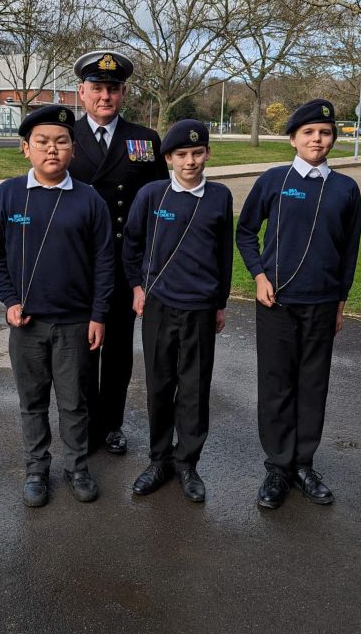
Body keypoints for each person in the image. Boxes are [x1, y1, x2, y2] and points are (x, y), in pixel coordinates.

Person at [0, 105, 114, 507]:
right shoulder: (7, 194)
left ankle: (77, 467)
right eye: (42, 142)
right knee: (32, 402)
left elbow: (106, 261)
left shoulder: (89, 200)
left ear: (73, 149)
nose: (51, 150)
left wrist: (99, 314)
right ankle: (36, 469)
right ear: (25, 149)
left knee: (75, 402)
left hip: (75, 323)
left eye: (61, 142)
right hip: (27, 324)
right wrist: (9, 299)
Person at [236, 99, 361, 509]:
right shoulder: (273, 181)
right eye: (308, 132)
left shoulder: (345, 188)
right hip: (277, 303)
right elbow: (245, 232)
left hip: (322, 303)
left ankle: (303, 463)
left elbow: (349, 252)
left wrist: (341, 302)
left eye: (325, 133)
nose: (317, 139)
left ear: (333, 140)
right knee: (276, 384)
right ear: (293, 138)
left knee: (312, 385)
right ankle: (277, 467)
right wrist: (258, 275)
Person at [123, 120, 233, 502]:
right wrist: (137, 288)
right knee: (160, 383)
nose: (190, 161)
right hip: (159, 305)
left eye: (197, 153)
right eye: (182, 155)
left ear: (207, 154)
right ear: (168, 158)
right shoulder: (152, 195)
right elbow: (132, 244)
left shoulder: (219, 196)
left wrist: (220, 303)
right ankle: (158, 459)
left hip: (200, 307)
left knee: (195, 387)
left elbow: (223, 254)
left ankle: (187, 461)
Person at [68, 50, 169, 456]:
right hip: (79, 264)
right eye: (97, 88)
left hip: (126, 264)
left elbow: (160, 204)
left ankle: (111, 424)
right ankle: (84, 423)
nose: (104, 95)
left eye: (112, 88)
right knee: (82, 349)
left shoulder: (144, 140)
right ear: (81, 91)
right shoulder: (64, 137)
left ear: (123, 92)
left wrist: (148, 269)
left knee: (119, 352)